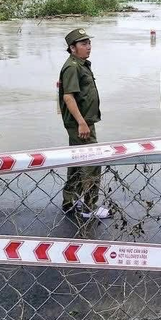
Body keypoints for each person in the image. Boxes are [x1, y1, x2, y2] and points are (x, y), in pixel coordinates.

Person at [58, 28, 110, 221]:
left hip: (83, 122)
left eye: (89, 43)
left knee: (78, 162)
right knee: (92, 164)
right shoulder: (73, 67)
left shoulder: (80, 64)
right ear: (72, 48)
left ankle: (70, 200)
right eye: (83, 44)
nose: (88, 47)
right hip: (80, 124)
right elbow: (68, 97)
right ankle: (89, 206)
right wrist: (81, 122)